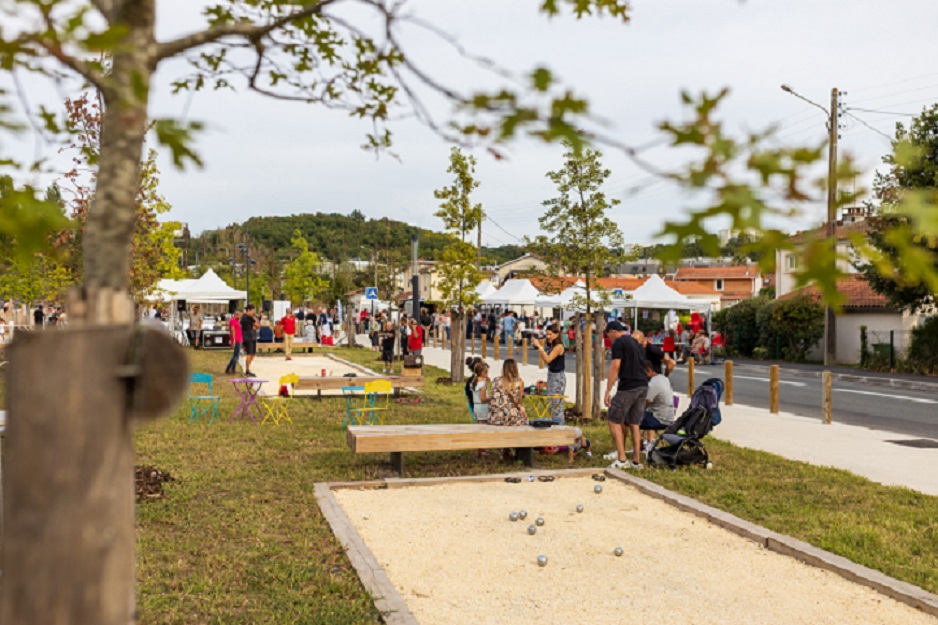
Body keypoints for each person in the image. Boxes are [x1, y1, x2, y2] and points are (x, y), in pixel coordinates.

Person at [603, 321, 647, 470]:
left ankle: (621, 459)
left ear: (613, 331)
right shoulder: (637, 344)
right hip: (643, 385)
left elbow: (615, 366)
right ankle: (636, 461)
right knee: (635, 423)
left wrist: (608, 390)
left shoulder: (618, 343)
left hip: (628, 386)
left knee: (613, 418)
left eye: (608, 335)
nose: (609, 339)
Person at [532, 323, 566, 425]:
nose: (548, 337)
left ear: (557, 334)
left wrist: (540, 347)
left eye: (550, 334)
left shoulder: (558, 347)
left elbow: (548, 359)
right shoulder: (552, 346)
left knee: (556, 406)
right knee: (551, 405)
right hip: (551, 375)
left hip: (557, 377)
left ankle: (560, 427)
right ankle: (554, 427)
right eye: (547, 334)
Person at [640, 360, 675, 452]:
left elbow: (644, 405)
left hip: (659, 419)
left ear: (648, 370)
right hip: (669, 417)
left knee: (630, 418)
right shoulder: (664, 378)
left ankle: (637, 447)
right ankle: (642, 443)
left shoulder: (652, 384)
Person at [488, 359, 527, 427]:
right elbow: (518, 403)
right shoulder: (520, 382)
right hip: (512, 417)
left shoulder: (496, 380)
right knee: (524, 418)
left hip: (495, 417)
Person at [241, 304, 259, 377]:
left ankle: (248, 369)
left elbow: (257, 326)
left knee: (252, 354)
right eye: (253, 311)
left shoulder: (249, 317)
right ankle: (247, 370)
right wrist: (255, 320)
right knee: (249, 353)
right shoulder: (247, 317)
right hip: (248, 337)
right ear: (248, 310)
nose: (253, 312)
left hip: (252, 336)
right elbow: (257, 325)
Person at [225, 309, 244, 375]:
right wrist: (234, 340)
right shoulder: (233, 320)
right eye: (240, 315)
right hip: (236, 339)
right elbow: (232, 330)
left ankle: (233, 368)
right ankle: (228, 368)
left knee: (237, 355)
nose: (241, 316)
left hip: (240, 338)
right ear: (236, 314)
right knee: (235, 356)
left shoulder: (237, 320)